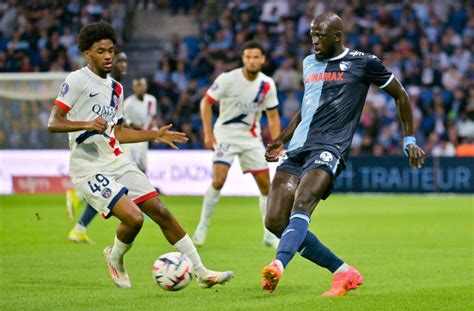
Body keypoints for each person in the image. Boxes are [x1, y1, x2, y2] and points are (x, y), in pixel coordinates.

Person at [48, 22, 233, 289]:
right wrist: (87, 124)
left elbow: (119, 133)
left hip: (117, 160)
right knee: (134, 218)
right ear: (87, 54)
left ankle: (202, 272)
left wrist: (154, 134)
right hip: (88, 167)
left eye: (111, 50)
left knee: (161, 212)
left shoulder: (117, 89)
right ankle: (115, 257)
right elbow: (54, 122)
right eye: (101, 51)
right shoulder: (77, 80)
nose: (108, 56)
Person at [260, 12, 425, 296]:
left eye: (320, 35)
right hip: (298, 148)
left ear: (337, 36)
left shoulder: (363, 63)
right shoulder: (309, 63)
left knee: (303, 204)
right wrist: (281, 139)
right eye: (311, 35)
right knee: (274, 221)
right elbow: (309, 105)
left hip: (330, 148)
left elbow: (401, 95)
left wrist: (409, 138)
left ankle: (278, 264)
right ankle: (344, 272)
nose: (314, 41)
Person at [192, 41, 281, 248]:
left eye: (256, 57)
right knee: (218, 180)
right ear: (243, 59)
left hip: (251, 138)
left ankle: (269, 232)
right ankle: (203, 225)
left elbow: (273, 116)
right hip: (226, 135)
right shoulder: (228, 79)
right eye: (248, 57)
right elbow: (206, 102)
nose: (252, 60)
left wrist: (276, 143)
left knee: (267, 187)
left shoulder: (267, 84)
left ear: (263, 59)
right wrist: (207, 133)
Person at [66, 51, 128, 243]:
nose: (124, 65)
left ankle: (79, 227)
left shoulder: (117, 88)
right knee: (113, 188)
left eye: (126, 62)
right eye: (121, 62)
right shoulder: (98, 83)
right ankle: (78, 197)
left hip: (111, 145)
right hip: (101, 146)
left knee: (108, 189)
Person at [121, 77, 158, 172]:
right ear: (133, 88)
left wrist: (155, 128)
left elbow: (152, 117)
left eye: (141, 85)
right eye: (137, 86)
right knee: (129, 166)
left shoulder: (151, 100)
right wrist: (133, 125)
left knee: (143, 166)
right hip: (131, 138)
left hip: (144, 137)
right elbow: (123, 120)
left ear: (146, 86)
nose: (140, 88)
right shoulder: (128, 103)